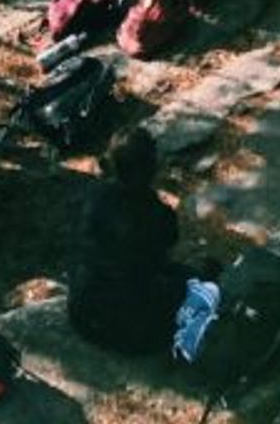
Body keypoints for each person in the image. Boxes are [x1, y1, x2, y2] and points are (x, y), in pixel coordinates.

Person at [67, 127, 200, 353]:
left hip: (81, 313)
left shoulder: (93, 195)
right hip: (125, 331)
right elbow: (168, 242)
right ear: (150, 168)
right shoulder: (154, 212)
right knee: (199, 284)